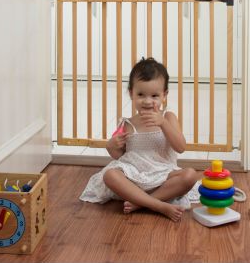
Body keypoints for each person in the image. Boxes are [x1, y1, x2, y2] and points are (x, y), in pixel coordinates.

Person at [80, 57, 198, 222]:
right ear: (131, 94)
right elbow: (119, 156)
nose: (147, 101)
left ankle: (141, 203)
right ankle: (158, 205)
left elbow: (181, 147)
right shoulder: (127, 123)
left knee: (190, 176)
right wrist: (111, 145)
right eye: (141, 94)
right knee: (110, 175)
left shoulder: (168, 116)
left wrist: (163, 124)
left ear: (164, 95)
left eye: (155, 95)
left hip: (162, 177)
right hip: (134, 177)